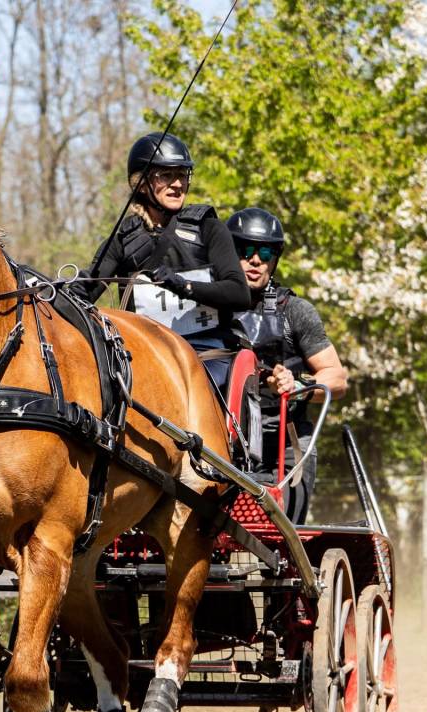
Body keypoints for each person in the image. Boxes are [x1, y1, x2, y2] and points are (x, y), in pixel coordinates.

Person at [77, 133, 250, 386]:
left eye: (182, 175)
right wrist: (57, 289)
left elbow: (239, 292)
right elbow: (86, 292)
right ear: (141, 184)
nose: (178, 184)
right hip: (145, 354)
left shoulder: (209, 228)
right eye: (166, 175)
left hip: (207, 352)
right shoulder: (123, 238)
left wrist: (185, 287)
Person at [226, 206, 348, 522]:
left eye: (265, 252)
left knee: (279, 539)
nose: (255, 260)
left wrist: (297, 385)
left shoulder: (295, 311)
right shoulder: (206, 310)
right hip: (223, 443)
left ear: (275, 259)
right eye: (245, 251)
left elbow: (337, 378)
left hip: (285, 445)